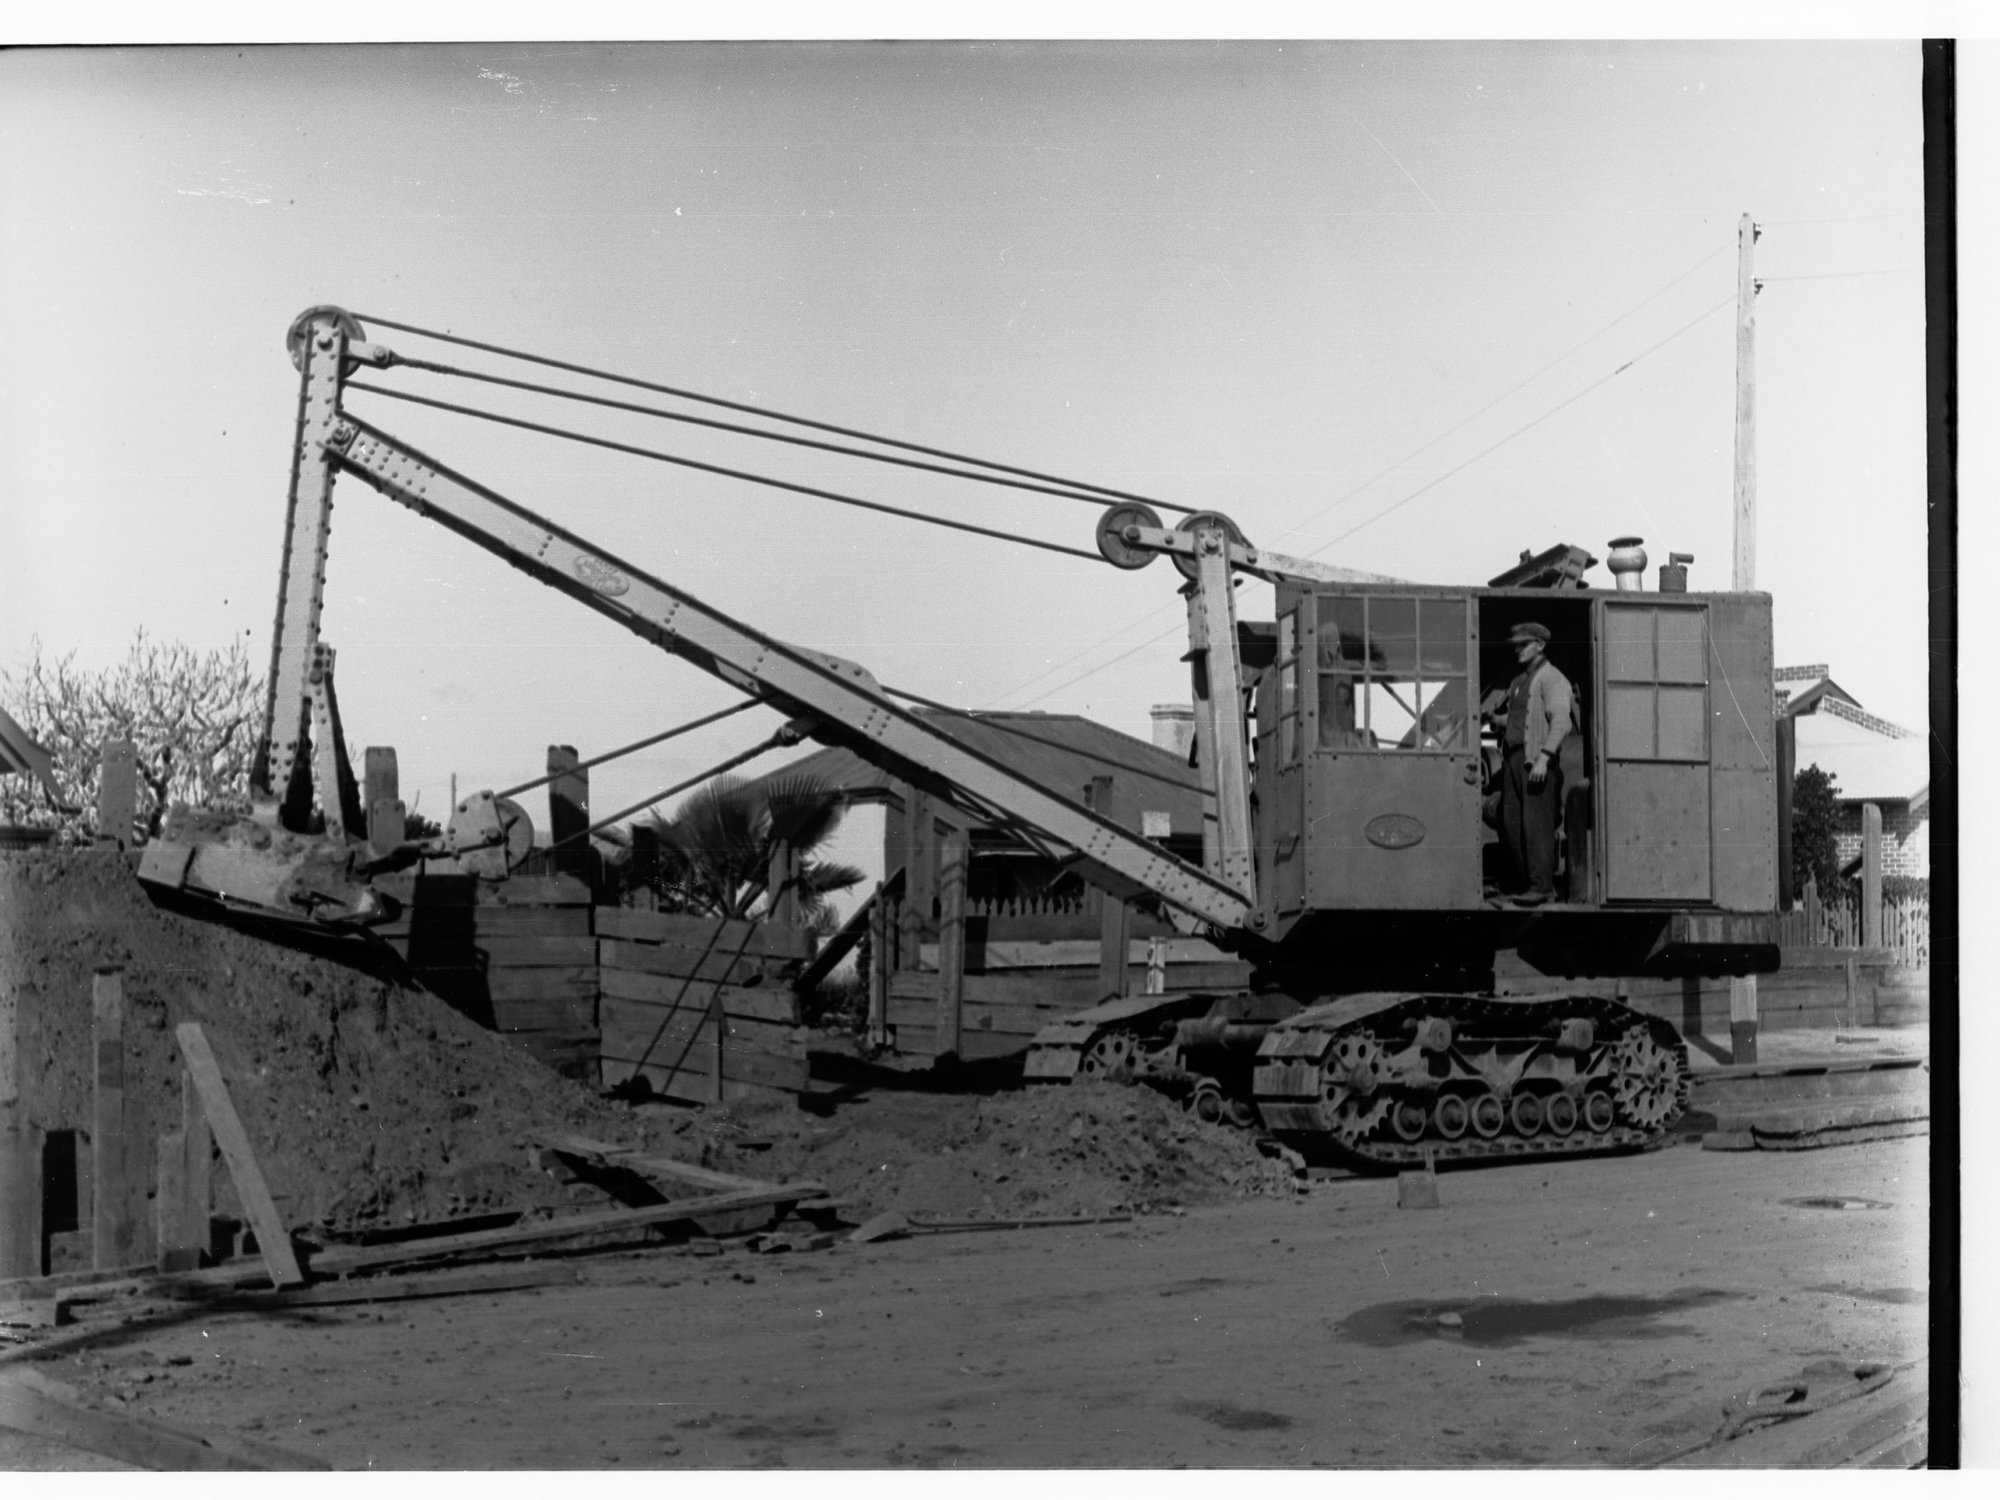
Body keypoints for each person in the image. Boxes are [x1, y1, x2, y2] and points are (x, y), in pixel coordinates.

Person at [1496, 621, 1578, 905]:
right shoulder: (1520, 681)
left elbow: (1561, 721)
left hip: (1535, 762)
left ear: (1540, 645)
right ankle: (1526, 884)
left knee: (1536, 824)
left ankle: (1542, 886)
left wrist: (1544, 758)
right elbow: (1523, 718)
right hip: (1514, 759)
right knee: (1510, 822)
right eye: (1516, 644)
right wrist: (1496, 721)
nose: (1517, 649)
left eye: (1524, 643)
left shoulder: (1551, 678)